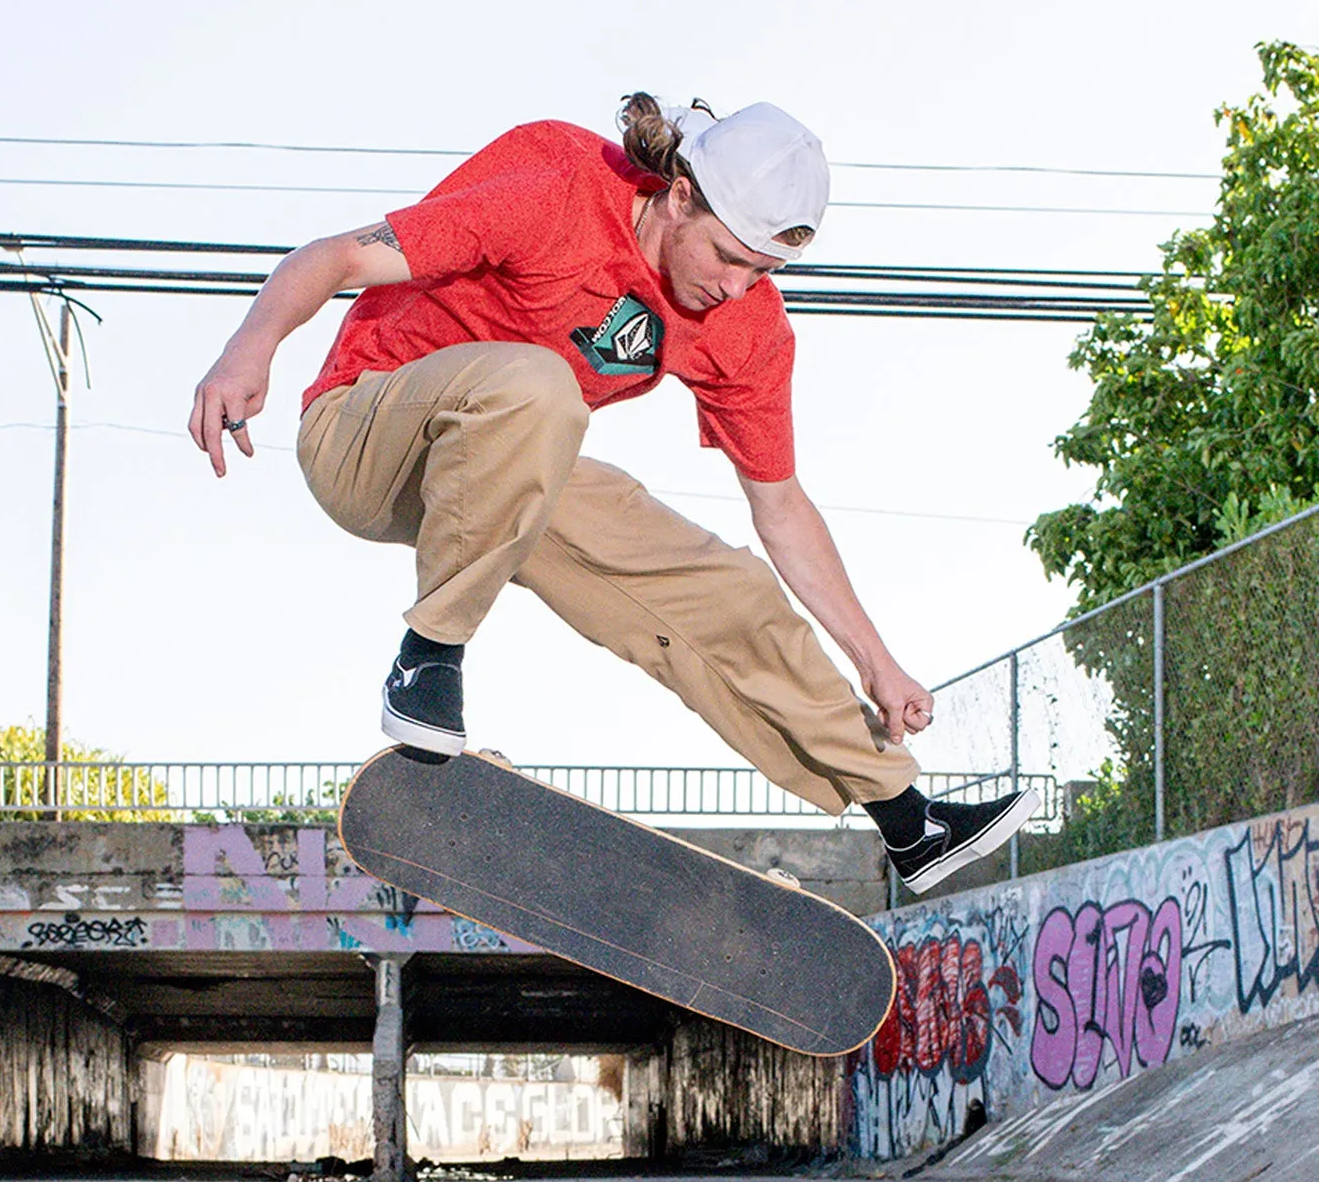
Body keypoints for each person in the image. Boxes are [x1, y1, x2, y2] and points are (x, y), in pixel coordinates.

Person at [190, 93, 1036, 894]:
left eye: (764, 270)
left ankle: (904, 817)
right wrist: (248, 350)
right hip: (365, 431)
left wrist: (877, 661)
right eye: (729, 258)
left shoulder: (746, 326)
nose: (737, 288)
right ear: (677, 198)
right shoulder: (558, 185)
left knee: (723, 587)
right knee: (539, 386)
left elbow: (781, 506)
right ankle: (428, 659)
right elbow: (336, 256)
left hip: (504, 479)